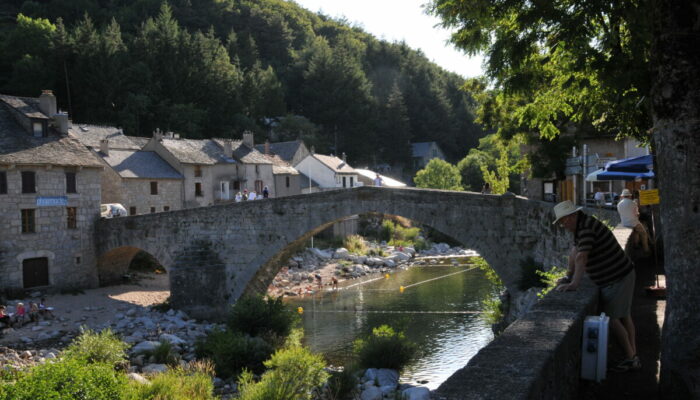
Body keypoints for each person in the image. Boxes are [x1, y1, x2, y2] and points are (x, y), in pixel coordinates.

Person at [552, 200, 640, 372]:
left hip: (618, 277)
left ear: (573, 215)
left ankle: (631, 358)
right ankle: (634, 355)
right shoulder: (583, 225)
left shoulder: (585, 228)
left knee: (612, 318)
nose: (563, 224)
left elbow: (581, 257)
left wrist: (574, 284)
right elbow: (574, 252)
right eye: (561, 221)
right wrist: (568, 276)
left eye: (565, 220)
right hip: (621, 274)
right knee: (624, 316)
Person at [617, 189, 651, 254]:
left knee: (636, 232)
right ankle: (646, 249)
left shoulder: (619, 204)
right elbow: (637, 214)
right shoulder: (633, 203)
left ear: (623, 196)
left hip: (624, 223)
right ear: (629, 196)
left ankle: (636, 244)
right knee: (643, 234)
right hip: (634, 223)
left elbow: (620, 213)